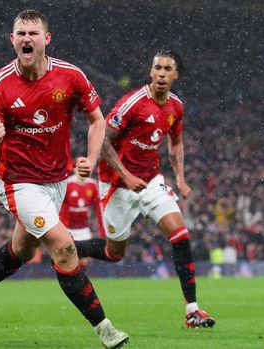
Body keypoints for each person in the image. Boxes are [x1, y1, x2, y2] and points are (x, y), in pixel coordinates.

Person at [0, 10, 129, 349]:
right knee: (63, 247)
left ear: (46, 39)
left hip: (58, 180)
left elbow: (98, 121)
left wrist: (92, 159)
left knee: (22, 250)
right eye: (20, 33)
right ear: (12, 39)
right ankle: (105, 329)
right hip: (16, 181)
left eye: (33, 33)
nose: (27, 38)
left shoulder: (70, 76)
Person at [74, 50, 216, 328]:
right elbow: (102, 139)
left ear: (176, 76)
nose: (162, 73)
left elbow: (175, 144)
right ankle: (70, 246)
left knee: (180, 234)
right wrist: (125, 175)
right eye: (157, 68)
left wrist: (181, 178)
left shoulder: (176, 107)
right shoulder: (132, 104)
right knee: (115, 253)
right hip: (117, 183)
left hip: (151, 181)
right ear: (150, 73)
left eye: (167, 69)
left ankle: (192, 310)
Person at [59, 163, 103, 269]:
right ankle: (71, 280)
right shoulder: (68, 184)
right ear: (74, 169)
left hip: (83, 229)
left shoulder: (92, 185)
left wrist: (102, 229)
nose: (82, 170)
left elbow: (99, 208)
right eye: (80, 167)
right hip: (67, 228)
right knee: (67, 258)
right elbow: (58, 204)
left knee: (83, 260)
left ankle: (80, 282)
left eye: (85, 167)